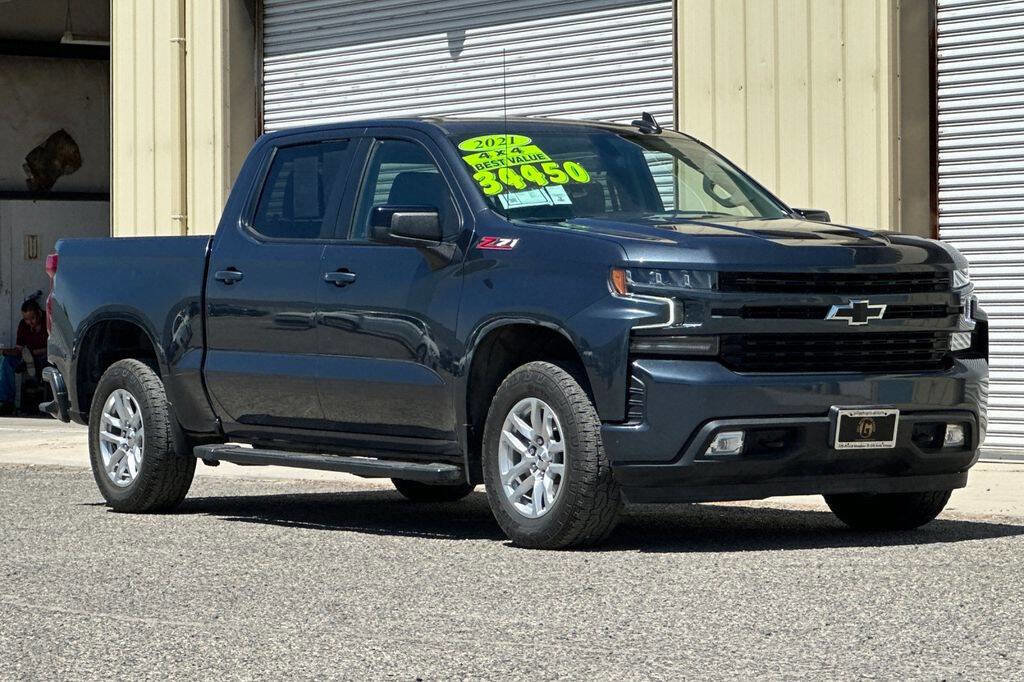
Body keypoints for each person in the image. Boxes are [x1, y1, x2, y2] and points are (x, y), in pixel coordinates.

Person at [0, 299, 48, 414]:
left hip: (45, 355)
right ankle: (6, 401)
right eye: (26, 319)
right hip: (27, 356)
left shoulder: (48, 320)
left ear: (39, 313)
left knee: (46, 360)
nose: (30, 322)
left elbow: (56, 347)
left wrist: (34, 352)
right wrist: (3, 352)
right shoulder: (23, 325)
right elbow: (18, 349)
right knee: (7, 362)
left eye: (32, 318)